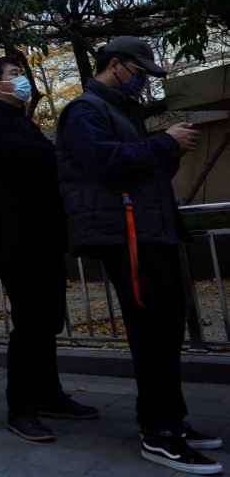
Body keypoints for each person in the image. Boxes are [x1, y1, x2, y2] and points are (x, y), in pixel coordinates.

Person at [55, 36, 221, 474]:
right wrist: (164, 143)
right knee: (152, 330)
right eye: (141, 73)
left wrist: (167, 150)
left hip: (151, 230)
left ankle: (172, 421)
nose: (144, 83)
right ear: (116, 65)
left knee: (166, 327)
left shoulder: (120, 110)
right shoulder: (84, 110)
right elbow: (107, 163)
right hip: (125, 236)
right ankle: (158, 433)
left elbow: (139, 167)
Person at [0, 58, 101, 441]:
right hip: (16, 239)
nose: (22, 81)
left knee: (49, 321)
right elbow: (33, 158)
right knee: (30, 325)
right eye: (14, 76)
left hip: (44, 237)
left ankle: (49, 395)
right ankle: (21, 409)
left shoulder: (24, 123)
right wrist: (64, 151)